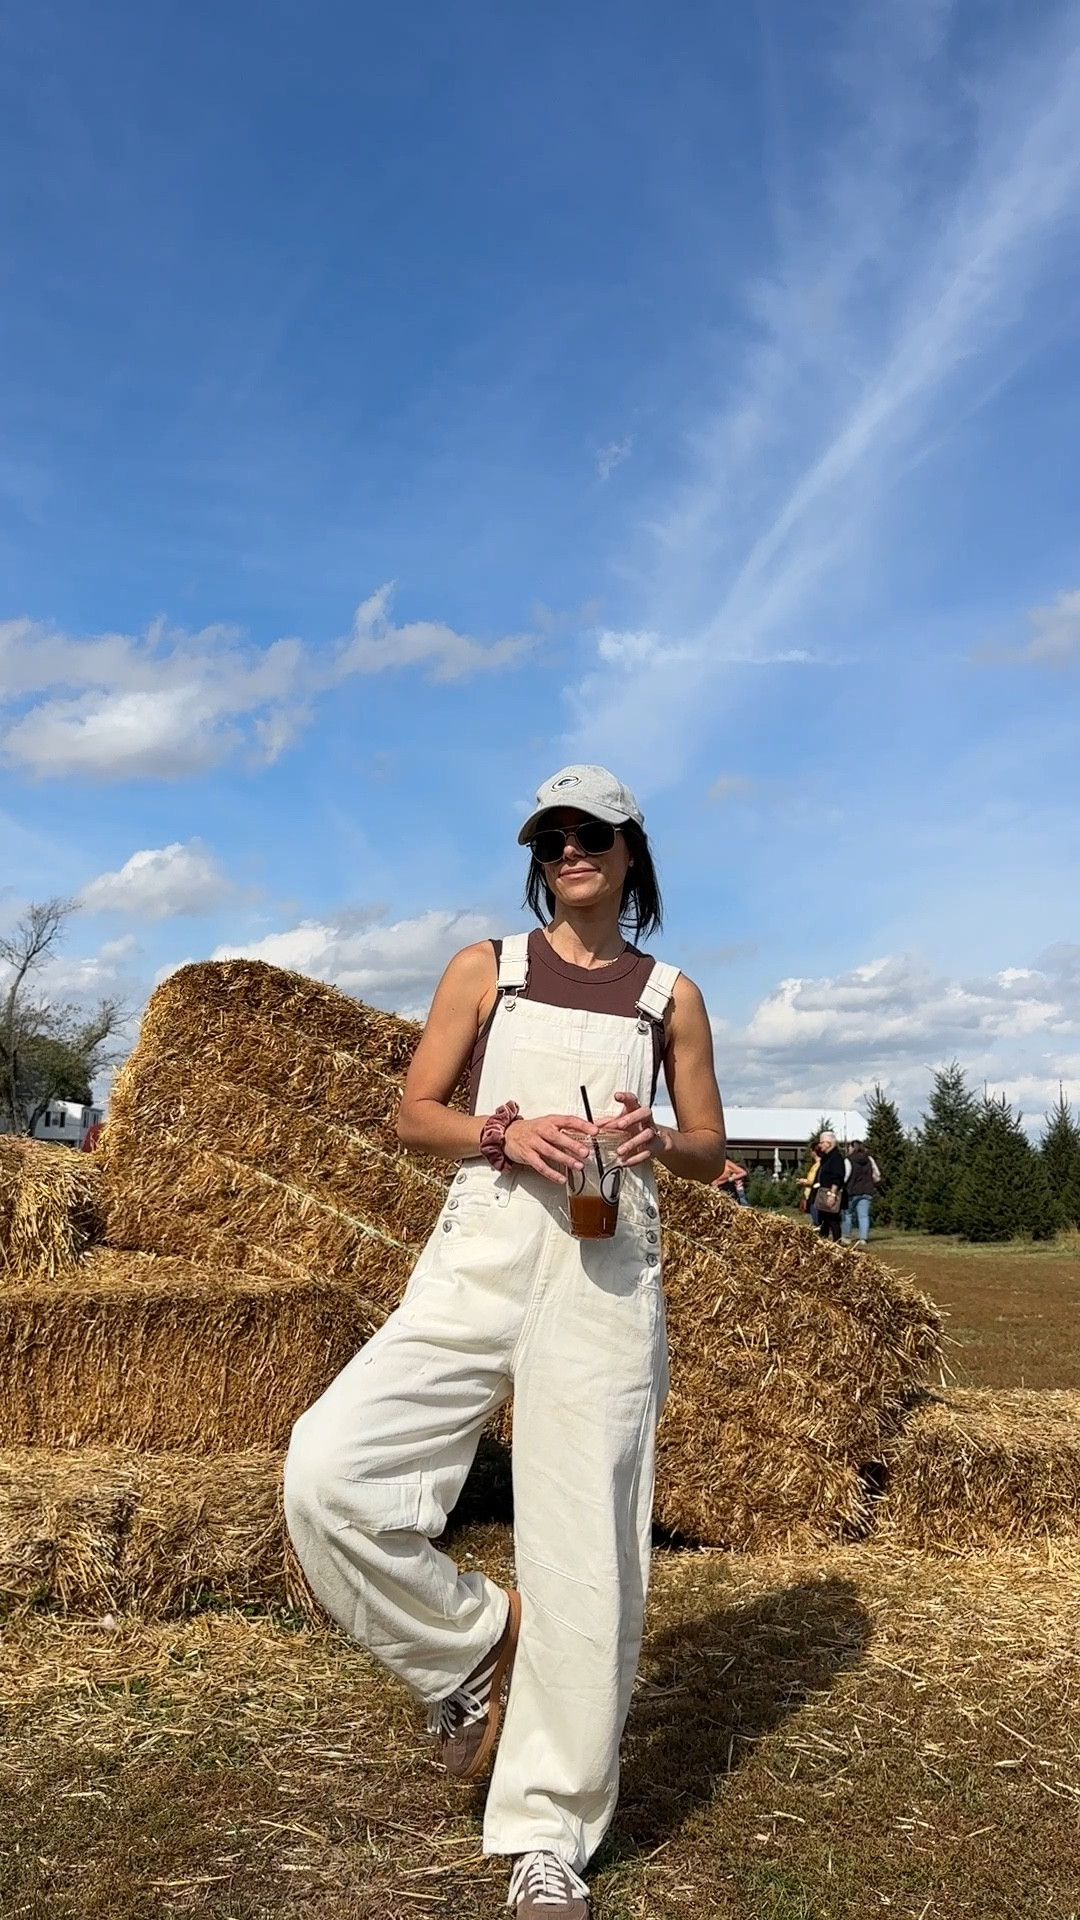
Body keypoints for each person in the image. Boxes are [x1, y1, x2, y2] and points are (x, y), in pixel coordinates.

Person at [283, 764, 727, 1919]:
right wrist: (500, 1128)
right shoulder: (488, 967)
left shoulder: (669, 997)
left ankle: (548, 1837)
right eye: (552, 837)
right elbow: (411, 1114)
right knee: (330, 1469)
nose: (570, 851)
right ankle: (474, 1652)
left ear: (632, 853)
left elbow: (710, 1145)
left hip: (606, 1263)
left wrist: (655, 1137)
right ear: (537, 857)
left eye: (593, 835)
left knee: (588, 1553)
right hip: (481, 1248)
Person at [842, 1140, 880, 1247]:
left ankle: (846, 1237)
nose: (848, 1149)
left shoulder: (848, 1160)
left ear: (853, 1148)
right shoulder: (869, 1159)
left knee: (847, 1214)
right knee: (863, 1216)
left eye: (849, 1147)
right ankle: (863, 1238)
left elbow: (846, 1176)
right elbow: (877, 1175)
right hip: (867, 1191)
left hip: (852, 1191)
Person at [811, 1131, 846, 1240]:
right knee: (824, 1220)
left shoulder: (836, 1158)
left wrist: (832, 1194)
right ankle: (823, 1242)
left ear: (828, 1143)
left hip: (830, 1192)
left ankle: (837, 1243)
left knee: (832, 1220)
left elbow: (837, 1178)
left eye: (822, 1142)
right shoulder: (827, 1157)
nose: (820, 1145)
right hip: (823, 1191)